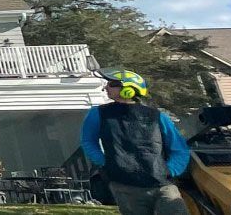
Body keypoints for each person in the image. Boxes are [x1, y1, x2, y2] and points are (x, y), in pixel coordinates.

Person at [80, 69, 190, 215]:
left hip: (162, 184)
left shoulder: (157, 116)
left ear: (129, 89)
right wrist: (106, 162)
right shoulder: (98, 114)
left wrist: (170, 170)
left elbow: (179, 149)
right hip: (125, 186)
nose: (105, 88)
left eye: (112, 84)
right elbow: (88, 141)